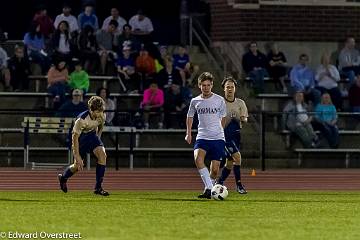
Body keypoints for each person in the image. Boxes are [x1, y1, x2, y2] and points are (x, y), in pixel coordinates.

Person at [185, 72, 226, 199]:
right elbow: (190, 116)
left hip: (217, 138)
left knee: (214, 170)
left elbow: (223, 117)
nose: (206, 87)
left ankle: (208, 189)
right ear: (199, 86)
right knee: (198, 159)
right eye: (203, 85)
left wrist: (220, 131)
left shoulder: (219, 100)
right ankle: (209, 188)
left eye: (208, 85)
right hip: (202, 136)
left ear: (212, 85)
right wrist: (188, 133)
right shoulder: (195, 101)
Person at [58, 96, 109, 196]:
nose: (99, 114)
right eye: (97, 111)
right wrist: (77, 156)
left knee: (103, 155)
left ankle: (98, 187)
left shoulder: (102, 115)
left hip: (92, 136)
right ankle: (63, 177)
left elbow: (100, 126)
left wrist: (98, 140)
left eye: (101, 111)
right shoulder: (81, 120)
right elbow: (75, 138)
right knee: (77, 166)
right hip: (80, 139)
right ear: (91, 109)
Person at [215, 76, 248, 194]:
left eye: (232, 87)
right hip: (224, 135)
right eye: (227, 87)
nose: (230, 89)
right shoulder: (219, 103)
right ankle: (239, 185)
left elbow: (244, 120)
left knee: (230, 162)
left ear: (235, 89)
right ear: (223, 89)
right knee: (237, 157)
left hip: (236, 135)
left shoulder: (240, 103)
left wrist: (239, 117)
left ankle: (219, 182)